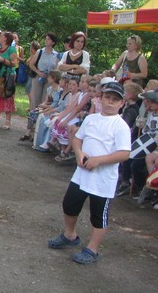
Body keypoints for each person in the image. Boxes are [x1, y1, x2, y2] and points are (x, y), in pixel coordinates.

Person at [47, 81, 130, 264]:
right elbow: (77, 139)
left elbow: (124, 153)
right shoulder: (91, 119)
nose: (110, 102)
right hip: (82, 174)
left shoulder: (120, 126)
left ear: (121, 103)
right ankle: (70, 235)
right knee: (70, 204)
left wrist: (99, 160)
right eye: (107, 97)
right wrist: (79, 153)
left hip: (103, 179)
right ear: (101, 99)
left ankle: (92, 249)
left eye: (115, 99)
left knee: (98, 215)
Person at [0, 31, 18, 129]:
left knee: (7, 96)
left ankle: (8, 120)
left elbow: (14, 63)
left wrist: (4, 60)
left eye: (0, 36)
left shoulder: (11, 49)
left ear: (6, 38)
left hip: (7, 76)